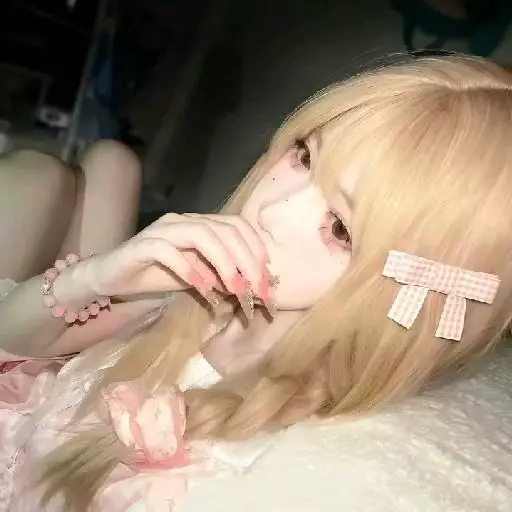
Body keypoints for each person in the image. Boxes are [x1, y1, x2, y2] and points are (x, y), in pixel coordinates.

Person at [2, 54, 512, 511]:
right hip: (49, 388)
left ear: (408, 290)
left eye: (339, 228)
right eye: (304, 157)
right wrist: (96, 276)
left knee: (43, 171)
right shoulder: (210, 284)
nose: (271, 209)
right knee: (111, 160)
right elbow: (12, 339)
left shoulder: (271, 455)